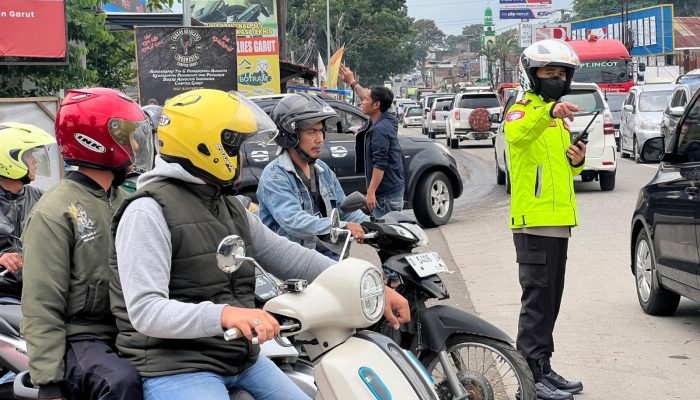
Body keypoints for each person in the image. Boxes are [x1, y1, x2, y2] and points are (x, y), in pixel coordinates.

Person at [109, 89, 410, 400]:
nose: (241, 156)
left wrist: (367, 287)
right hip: (177, 365)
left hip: (239, 356)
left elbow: (291, 257)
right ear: (203, 146)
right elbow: (146, 311)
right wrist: (226, 315)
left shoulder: (228, 206)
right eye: (235, 146)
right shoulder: (147, 211)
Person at [20, 88, 152, 400]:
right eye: (127, 136)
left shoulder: (128, 200)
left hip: (127, 330)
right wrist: (48, 383)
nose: (135, 145)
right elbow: (41, 305)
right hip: (80, 336)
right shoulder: (55, 212)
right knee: (119, 382)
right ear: (97, 141)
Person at [503, 39, 586, 400]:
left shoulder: (556, 118)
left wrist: (577, 158)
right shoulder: (523, 110)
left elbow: (560, 168)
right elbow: (517, 135)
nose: (556, 79)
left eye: (561, 74)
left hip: (558, 221)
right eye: (549, 73)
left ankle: (543, 367)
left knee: (551, 300)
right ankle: (529, 378)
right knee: (536, 301)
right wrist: (549, 113)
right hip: (533, 222)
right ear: (532, 75)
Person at [257, 93, 369, 260]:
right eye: (312, 132)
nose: (320, 139)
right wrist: (344, 226)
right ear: (290, 135)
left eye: (321, 131)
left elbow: (344, 211)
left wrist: (375, 225)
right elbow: (293, 220)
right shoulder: (274, 176)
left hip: (331, 257)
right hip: (294, 265)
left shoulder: (322, 170)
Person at [339, 65, 405, 218]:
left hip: (386, 197)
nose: (362, 101)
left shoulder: (380, 130)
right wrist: (352, 82)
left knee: (387, 238)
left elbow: (380, 164)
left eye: (366, 100)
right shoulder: (385, 118)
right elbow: (365, 97)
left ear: (376, 105)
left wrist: (371, 192)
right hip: (391, 191)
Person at [0, 123, 56, 301]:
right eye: (28, 155)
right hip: (4, 294)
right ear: (9, 157)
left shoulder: (43, 199)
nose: (35, 160)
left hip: (39, 292)